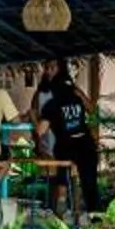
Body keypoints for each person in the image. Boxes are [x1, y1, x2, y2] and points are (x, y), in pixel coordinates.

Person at [37, 61, 99, 213]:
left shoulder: (51, 105)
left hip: (66, 145)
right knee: (90, 183)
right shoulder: (77, 98)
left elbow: (40, 131)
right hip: (86, 143)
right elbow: (92, 109)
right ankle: (96, 217)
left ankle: (62, 196)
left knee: (62, 167)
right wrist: (80, 94)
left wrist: (34, 118)